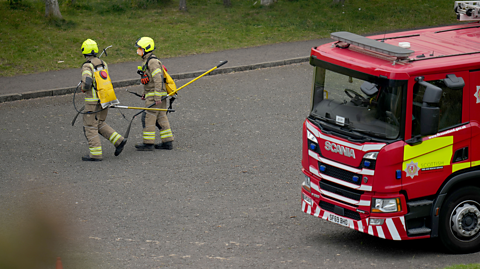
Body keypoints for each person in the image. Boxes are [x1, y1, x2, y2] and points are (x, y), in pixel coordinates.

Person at [80, 39, 126, 161]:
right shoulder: (103, 63)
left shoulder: (87, 65)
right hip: (105, 100)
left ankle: (95, 154)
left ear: (84, 51)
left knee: (90, 126)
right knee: (99, 123)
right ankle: (119, 141)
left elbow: (87, 82)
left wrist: (83, 87)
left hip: (93, 102)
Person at [134, 37, 174, 151]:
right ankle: (167, 142)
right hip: (156, 94)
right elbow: (150, 81)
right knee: (161, 117)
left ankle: (148, 144)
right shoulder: (149, 61)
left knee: (149, 118)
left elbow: (158, 79)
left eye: (140, 48)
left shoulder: (152, 62)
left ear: (146, 48)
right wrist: (144, 93)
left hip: (155, 95)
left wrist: (156, 97)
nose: (138, 50)